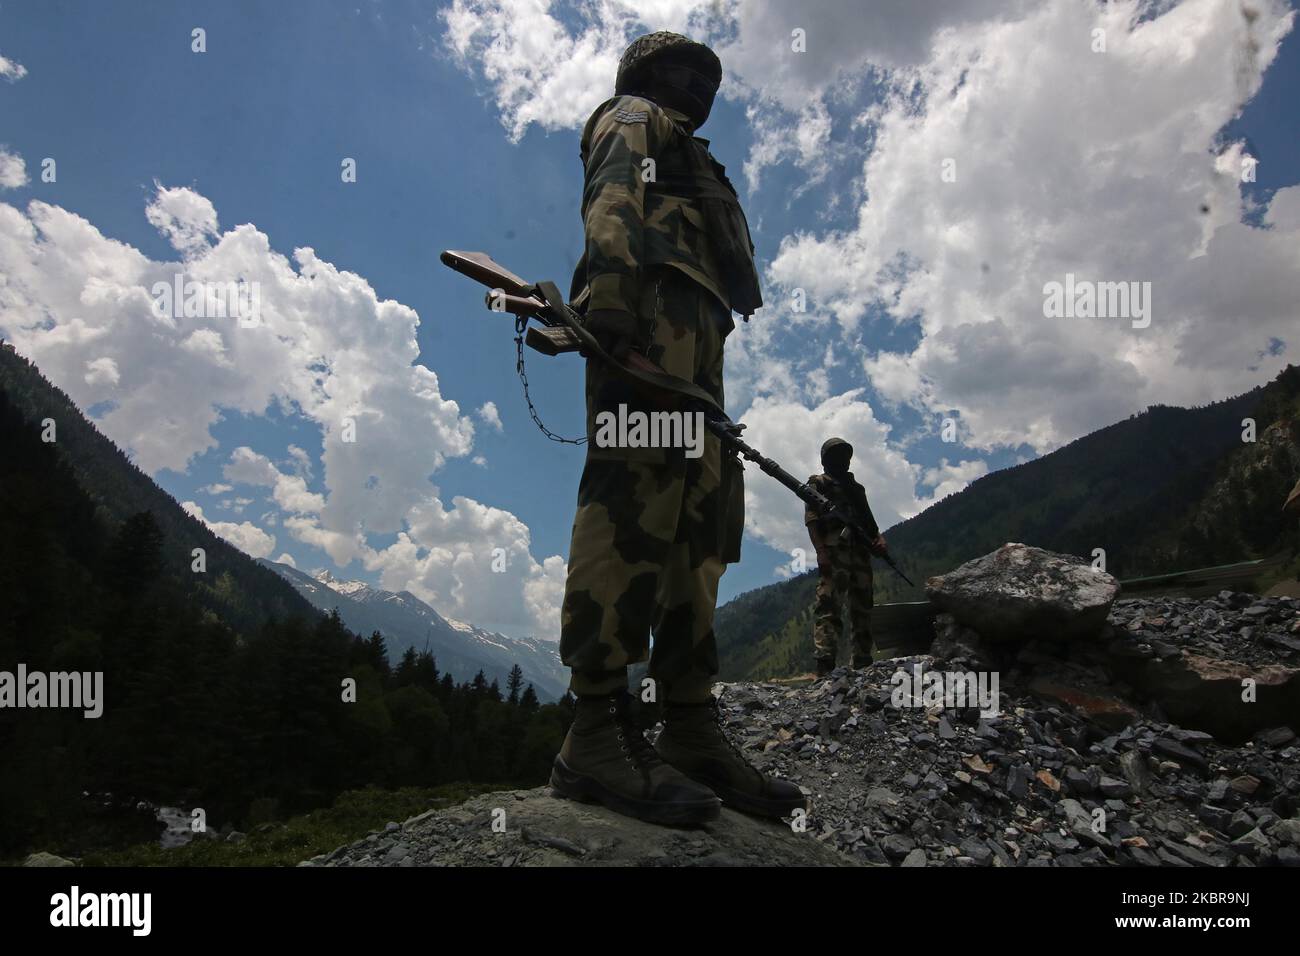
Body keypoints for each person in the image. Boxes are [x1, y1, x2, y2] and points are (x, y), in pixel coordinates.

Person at [550, 31, 805, 824]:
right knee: (632, 511)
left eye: (710, 75)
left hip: (697, 347)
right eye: (679, 69)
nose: (696, 83)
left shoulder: (697, 159)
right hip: (646, 329)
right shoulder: (632, 117)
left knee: (699, 532)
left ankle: (690, 723)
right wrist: (619, 309)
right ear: (640, 74)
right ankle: (594, 728)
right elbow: (615, 199)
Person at [805, 437, 887, 677]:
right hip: (834, 550)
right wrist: (821, 552)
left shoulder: (856, 488)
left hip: (859, 552)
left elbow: (868, 520)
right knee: (829, 604)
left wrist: (878, 538)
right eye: (836, 455)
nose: (842, 460)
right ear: (825, 460)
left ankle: (863, 662)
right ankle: (825, 664)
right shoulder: (818, 483)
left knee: (862, 606)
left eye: (845, 455)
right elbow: (811, 519)